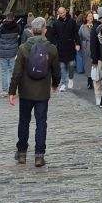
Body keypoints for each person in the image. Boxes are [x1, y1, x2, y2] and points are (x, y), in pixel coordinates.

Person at [9, 16, 61, 167]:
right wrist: (55, 84)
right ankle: (39, 155)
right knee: (41, 123)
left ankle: (22, 153)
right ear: (44, 30)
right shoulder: (51, 48)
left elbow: (17, 72)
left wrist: (12, 91)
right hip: (42, 92)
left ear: (31, 31)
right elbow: (56, 71)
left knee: (24, 122)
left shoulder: (23, 48)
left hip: (25, 91)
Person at [50, 6, 80, 91]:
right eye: (60, 13)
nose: (62, 14)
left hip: (70, 46)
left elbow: (76, 34)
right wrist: (55, 44)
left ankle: (70, 78)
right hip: (60, 48)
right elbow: (53, 35)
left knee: (71, 65)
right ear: (58, 14)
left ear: (65, 12)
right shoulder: (56, 23)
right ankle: (63, 83)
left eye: (63, 12)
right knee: (62, 67)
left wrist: (77, 43)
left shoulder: (72, 22)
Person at [0, 17, 22, 96]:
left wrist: (2, 23)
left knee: (4, 71)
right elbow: (20, 33)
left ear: (6, 18)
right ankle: (12, 89)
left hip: (3, 51)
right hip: (13, 51)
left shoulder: (2, 26)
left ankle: (4, 90)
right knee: (13, 71)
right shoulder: (17, 26)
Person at [78, 11, 96, 90]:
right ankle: (89, 81)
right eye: (89, 16)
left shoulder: (95, 26)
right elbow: (79, 37)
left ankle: (94, 80)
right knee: (88, 65)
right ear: (86, 18)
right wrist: (82, 44)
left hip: (94, 47)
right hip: (86, 47)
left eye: (91, 16)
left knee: (94, 64)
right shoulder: (82, 27)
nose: (90, 17)